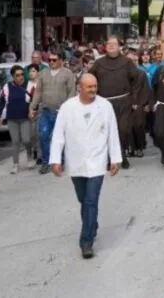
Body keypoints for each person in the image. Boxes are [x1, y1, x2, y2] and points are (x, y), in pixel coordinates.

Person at [50, 74, 122, 260]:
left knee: (91, 201)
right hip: (76, 161)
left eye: (95, 86)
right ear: (79, 88)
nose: (93, 90)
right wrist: (55, 160)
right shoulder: (67, 108)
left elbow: (112, 133)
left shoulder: (105, 106)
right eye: (89, 87)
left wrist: (115, 158)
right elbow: (58, 135)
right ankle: (92, 224)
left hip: (97, 161)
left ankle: (86, 241)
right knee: (83, 199)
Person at [89, 36, 143, 169]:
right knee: (106, 131)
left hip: (124, 102)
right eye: (109, 44)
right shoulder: (98, 63)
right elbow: (89, 79)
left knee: (123, 130)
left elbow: (137, 80)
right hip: (104, 103)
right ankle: (108, 159)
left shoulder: (127, 62)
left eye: (114, 44)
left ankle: (121, 156)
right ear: (105, 47)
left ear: (119, 47)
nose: (111, 46)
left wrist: (134, 99)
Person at [29, 51, 77, 174]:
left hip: (61, 112)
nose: (51, 62)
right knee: (43, 136)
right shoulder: (43, 74)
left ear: (61, 60)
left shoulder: (68, 74)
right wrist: (32, 107)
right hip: (45, 111)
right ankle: (46, 162)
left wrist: (66, 108)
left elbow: (72, 92)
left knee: (60, 138)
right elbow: (38, 92)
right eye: (49, 60)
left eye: (54, 60)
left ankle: (60, 161)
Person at [0, 65, 35, 174]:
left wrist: (33, 110)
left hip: (25, 118)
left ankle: (30, 156)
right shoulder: (6, 87)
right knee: (15, 141)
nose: (21, 77)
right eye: (18, 75)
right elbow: (1, 102)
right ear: (13, 76)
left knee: (26, 139)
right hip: (12, 118)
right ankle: (15, 163)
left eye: (22, 74)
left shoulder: (29, 86)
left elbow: (35, 100)